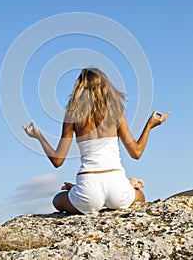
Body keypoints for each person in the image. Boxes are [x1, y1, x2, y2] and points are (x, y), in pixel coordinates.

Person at [23, 68, 170, 214]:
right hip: (116, 185)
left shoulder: (72, 116)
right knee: (140, 196)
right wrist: (149, 126)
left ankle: (79, 190)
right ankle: (127, 184)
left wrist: (39, 137)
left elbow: (58, 161)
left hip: (88, 187)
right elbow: (136, 153)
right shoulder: (117, 114)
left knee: (57, 199)